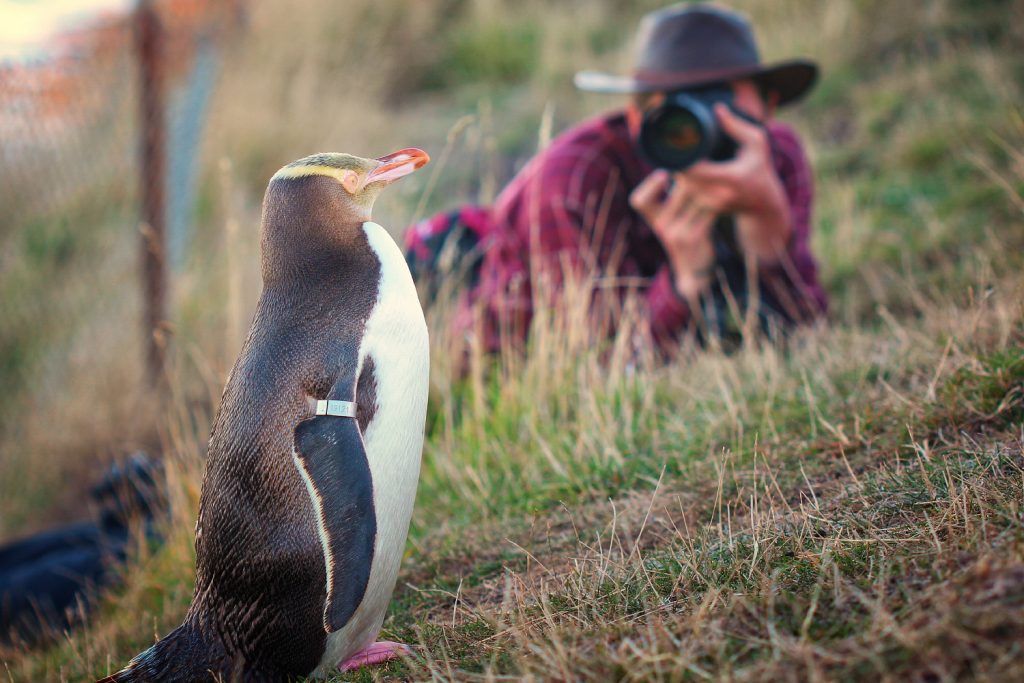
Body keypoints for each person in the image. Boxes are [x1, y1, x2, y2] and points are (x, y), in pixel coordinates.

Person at [405, 3, 827, 355]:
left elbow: (809, 330)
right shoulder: (574, 181)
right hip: (512, 341)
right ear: (635, 112)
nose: (700, 125)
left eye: (719, 98)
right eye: (677, 108)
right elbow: (603, 366)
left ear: (768, 105)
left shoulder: (777, 155)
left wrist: (769, 228)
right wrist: (684, 278)